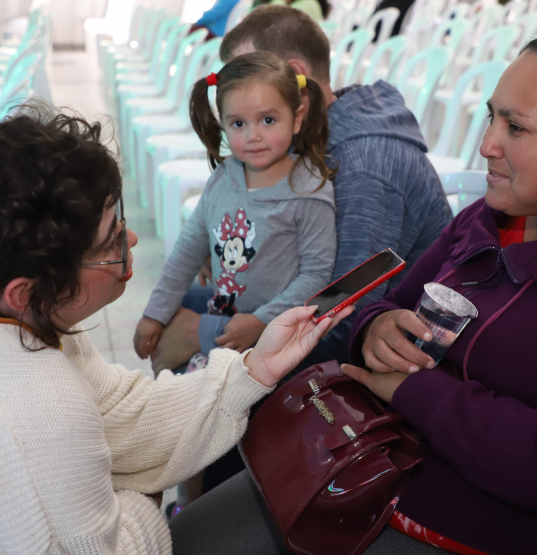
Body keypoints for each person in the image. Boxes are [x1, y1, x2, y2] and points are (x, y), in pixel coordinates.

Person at [169, 29, 537, 555]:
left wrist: (412, 389)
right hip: (382, 466)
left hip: (490, 525)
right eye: (492, 118)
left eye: (515, 128)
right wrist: (377, 330)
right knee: (184, 536)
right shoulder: (497, 214)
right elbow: (384, 304)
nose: (487, 144)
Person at [0, 107, 351, 554]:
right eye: (111, 242)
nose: (133, 239)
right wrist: (139, 491)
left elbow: (118, 412)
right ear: (26, 292)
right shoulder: (35, 415)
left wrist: (254, 369)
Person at [150, 4, 452, 374]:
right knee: (173, 305)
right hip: (294, 310)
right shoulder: (312, 129)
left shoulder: (366, 168)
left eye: (250, 75)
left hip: (354, 353)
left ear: (294, 77)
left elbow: (339, 313)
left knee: (185, 364)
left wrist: (205, 333)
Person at [134, 51, 335, 373]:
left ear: (297, 118)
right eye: (238, 123)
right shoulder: (224, 176)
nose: (253, 136)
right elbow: (188, 249)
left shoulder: (309, 192)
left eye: (268, 120)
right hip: (223, 325)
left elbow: (316, 276)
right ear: (224, 124)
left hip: (275, 345)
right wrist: (154, 313)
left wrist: (261, 322)